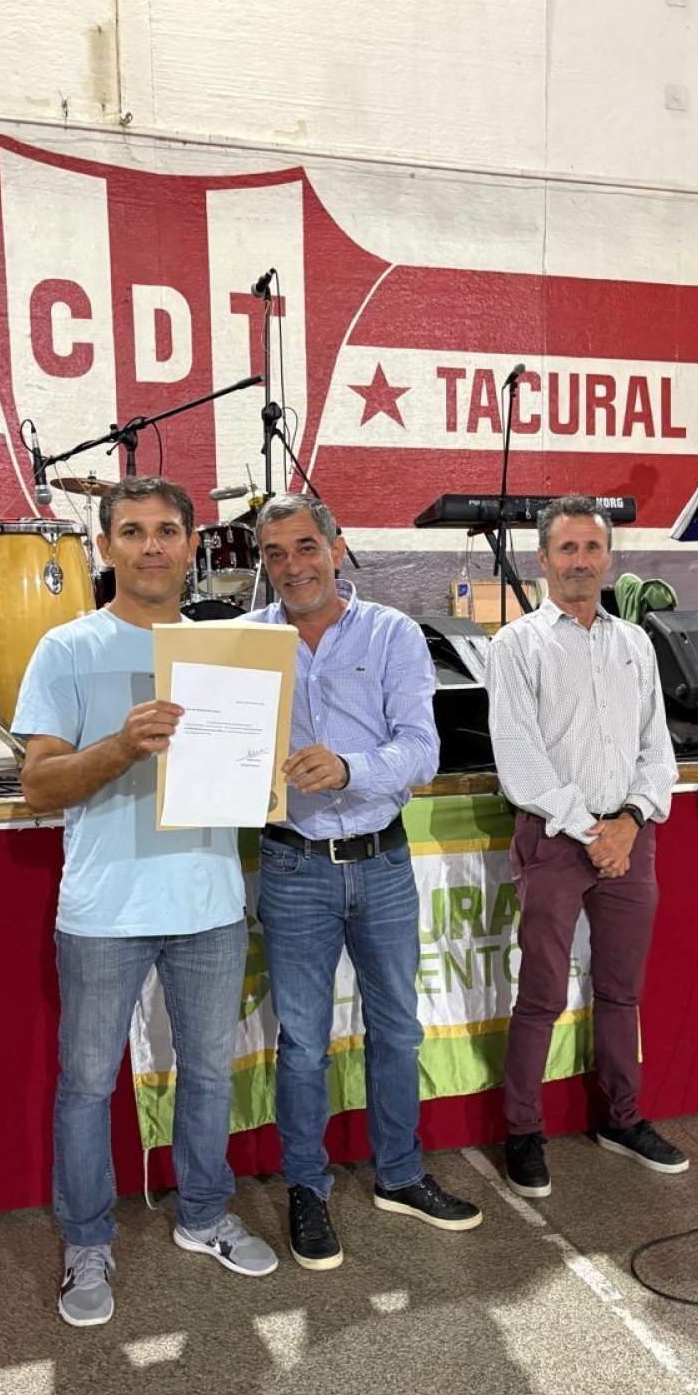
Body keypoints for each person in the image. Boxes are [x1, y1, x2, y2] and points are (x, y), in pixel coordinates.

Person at [13, 475, 278, 1327]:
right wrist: (122, 746)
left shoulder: (227, 650)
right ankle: (86, 1241)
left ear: (194, 544)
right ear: (106, 545)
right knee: (88, 1084)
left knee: (208, 1074)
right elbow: (38, 786)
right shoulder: (67, 650)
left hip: (206, 902)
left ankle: (202, 1215)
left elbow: (257, 769)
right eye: (132, 531)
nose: (151, 546)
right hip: (104, 911)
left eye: (168, 530)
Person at [244, 493, 482, 1270]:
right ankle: (306, 1191)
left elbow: (422, 750)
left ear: (337, 547)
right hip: (292, 864)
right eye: (275, 553)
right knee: (304, 1043)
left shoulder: (392, 633)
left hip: (381, 862)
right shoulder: (241, 646)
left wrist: (350, 767)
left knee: (398, 1029)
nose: (293, 566)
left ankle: (401, 1175)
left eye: (306, 547)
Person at [484, 493, 685, 1198]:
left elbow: (657, 749)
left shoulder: (634, 643)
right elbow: (519, 756)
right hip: (555, 839)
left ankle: (621, 1120)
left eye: (592, 548)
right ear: (542, 560)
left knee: (621, 993)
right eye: (566, 549)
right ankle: (523, 1131)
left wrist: (629, 819)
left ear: (609, 557)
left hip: (631, 839)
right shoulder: (516, 645)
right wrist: (589, 829)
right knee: (539, 996)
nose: (580, 562)